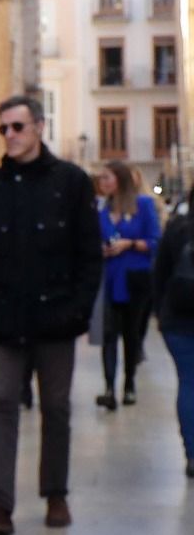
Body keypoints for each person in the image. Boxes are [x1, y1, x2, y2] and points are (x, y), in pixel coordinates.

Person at [0, 95, 101, 535]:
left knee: (56, 407)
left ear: (39, 126)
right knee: (2, 405)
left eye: (17, 127)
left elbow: (88, 254)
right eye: (3, 128)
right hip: (5, 322)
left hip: (57, 320)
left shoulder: (72, 183)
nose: (10, 136)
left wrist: (77, 310)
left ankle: (55, 495)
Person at [95, 158, 161, 409]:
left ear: (119, 180)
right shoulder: (101, 210)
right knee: (108, 333)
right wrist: (101, 249)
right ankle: (109, 387)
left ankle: (129, 383)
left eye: (106, 178)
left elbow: (155, 241)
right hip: (110, 277)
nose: (102, 183)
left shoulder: (142, 205)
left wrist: (129, 244)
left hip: (135, 278)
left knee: (131, 333)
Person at [152, 188, 194, 477]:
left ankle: (192, 453)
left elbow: (160, 274)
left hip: (178, 320)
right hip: (178, 320)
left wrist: (161, 313)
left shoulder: (177, 230)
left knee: (189, 383)